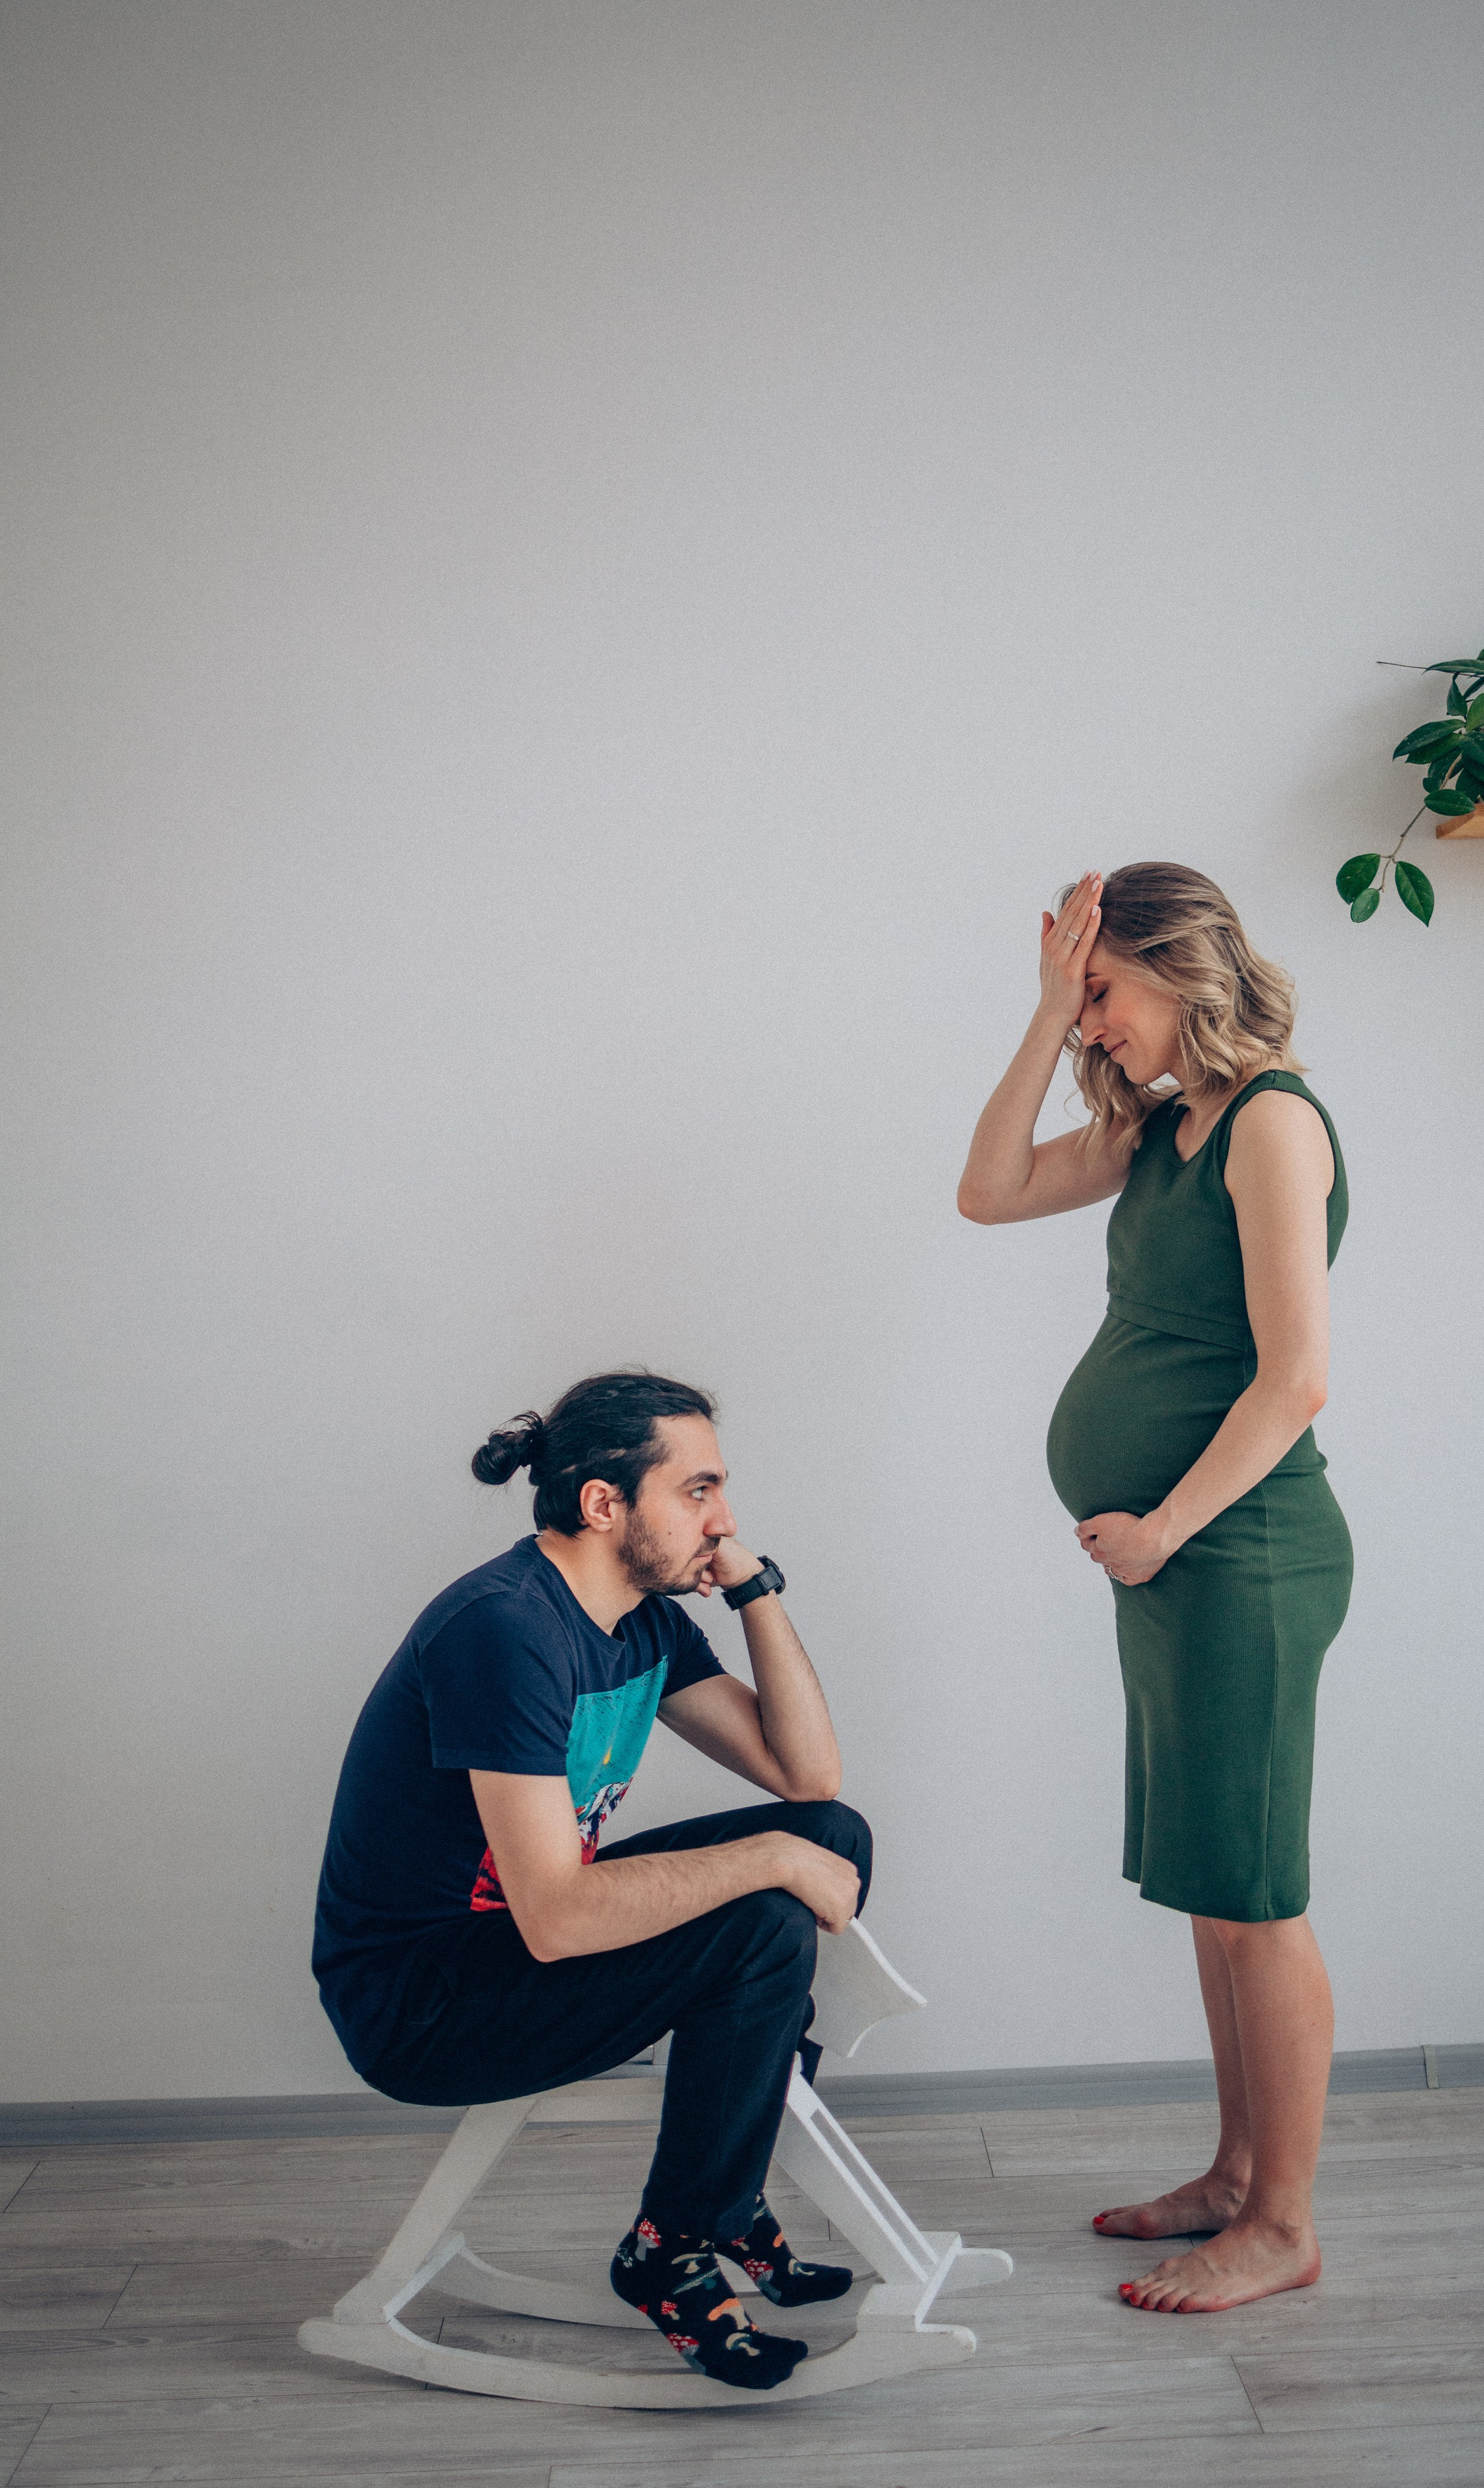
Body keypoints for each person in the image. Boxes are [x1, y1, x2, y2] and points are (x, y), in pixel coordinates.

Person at [312, 1368, 872, 2390]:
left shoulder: (642, 1620)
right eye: (698, 1490)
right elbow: (561, 1918)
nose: (725, 1516)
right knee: (767, 1921)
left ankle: (726, 2187)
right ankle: (672, 2248)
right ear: (605, 1503)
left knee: (831, 1832)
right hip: (425, 2002)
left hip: (515, 1942)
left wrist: (753, 1590)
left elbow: (806, 1776)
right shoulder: (505, 1628)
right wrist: (771, 1862)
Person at [958, 862, 1351, 2316]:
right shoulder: (1162, 1129)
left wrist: (1165, 1528)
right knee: (1211, 1888)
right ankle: (1236, 2174)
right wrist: (1040, 1014)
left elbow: (1296, 1378)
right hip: (1180, 1562)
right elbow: (985, 1193)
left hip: (1239, 1553)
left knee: (1257, 1894)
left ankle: (1283, 2224)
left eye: (1101, 992)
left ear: (1178, 969)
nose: (1092, 1026)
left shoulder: (1270, 1125)